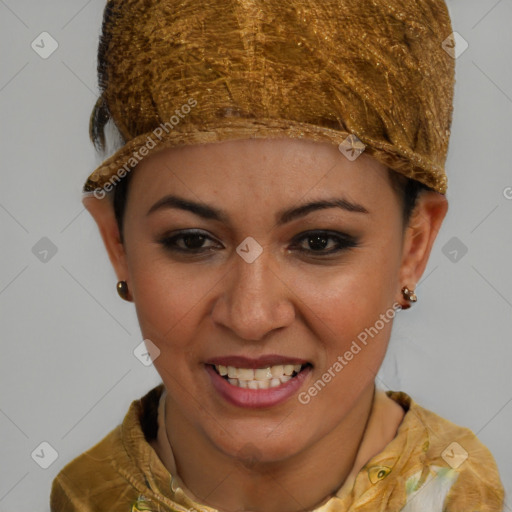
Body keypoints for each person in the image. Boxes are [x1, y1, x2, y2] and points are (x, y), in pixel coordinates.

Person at [50, 0, 505, 510]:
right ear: (118, 244)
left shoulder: (461, 495)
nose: (251, 317)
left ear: (414, 246)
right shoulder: (86, 498)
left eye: (319, 242)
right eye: (193, 241)